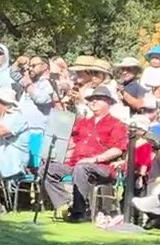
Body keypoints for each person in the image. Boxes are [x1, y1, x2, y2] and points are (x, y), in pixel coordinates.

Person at [43, 86, 127, 222]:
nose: (93, 102)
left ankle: (78, 212)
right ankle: (64, 203)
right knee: (46, 168)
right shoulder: (84, 122)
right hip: (76, 164)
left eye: (98, 99)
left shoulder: (116, 124)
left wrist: (94, 159)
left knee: (81, 168)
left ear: (109, 103)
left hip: (102, 167)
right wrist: (54, 154)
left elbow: (118, 149)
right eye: (92, 99)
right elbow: (69, 140)